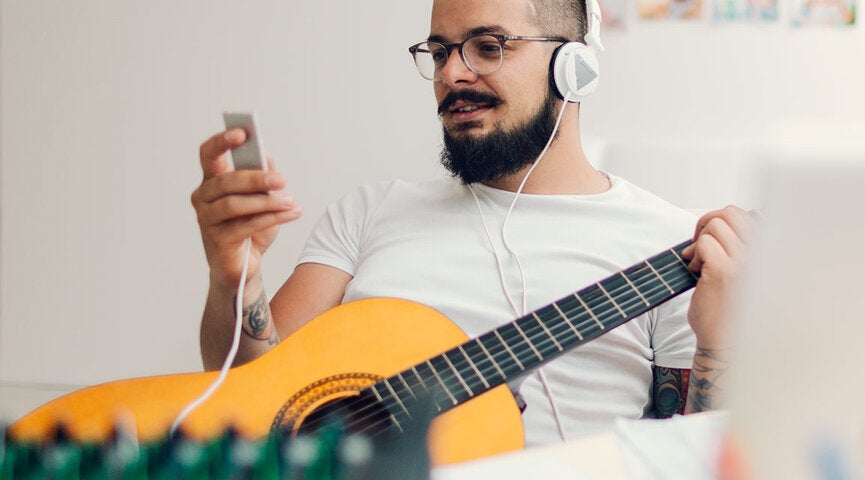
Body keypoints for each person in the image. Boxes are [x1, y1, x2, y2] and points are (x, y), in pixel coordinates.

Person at [189, 0, 751, 446]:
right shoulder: (369, 212)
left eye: (488, 46)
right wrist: (236, 278)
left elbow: (693, 458)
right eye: (439, 52)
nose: (453, 73)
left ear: (573, 68)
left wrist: (718, 346)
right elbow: (252, 396)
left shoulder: (675, 248)